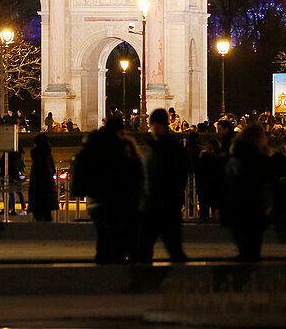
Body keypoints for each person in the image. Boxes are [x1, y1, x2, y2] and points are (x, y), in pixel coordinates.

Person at [72, 116, 143, 263]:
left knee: (104, 236)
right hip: (114, 201)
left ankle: (104, 265)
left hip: (95, 201)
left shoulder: (92, 145)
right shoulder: (118, 147)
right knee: (120, 236)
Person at [137, 108, 189, 262]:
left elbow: (177, 177)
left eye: (153, 124)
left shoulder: (163, 149)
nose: (152, 128)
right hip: (157, 205)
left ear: (160, 125)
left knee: (166, 247)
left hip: (164, 206)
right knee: (166, 248)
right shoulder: (161, 148)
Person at [219, 122, 273, 261]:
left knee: (243, 243)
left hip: (237, 203)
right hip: (256, 205)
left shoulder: (236, 155)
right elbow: (266, 184)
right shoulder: (263, 158)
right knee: (254, 244)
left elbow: (227, 181)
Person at [28, 133, 58, 222]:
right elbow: (52, 169)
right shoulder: (48, 154)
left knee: (39, 214)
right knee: (47, 214)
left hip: (37, 187)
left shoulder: (36, 156)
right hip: (47, 187)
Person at [194, 138, 221, 220]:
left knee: (204, 207)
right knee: (214, 205)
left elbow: (198, 170)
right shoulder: (217, 158)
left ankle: (204, 218)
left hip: (204, 185)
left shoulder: (202, 157)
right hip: (214, 185)